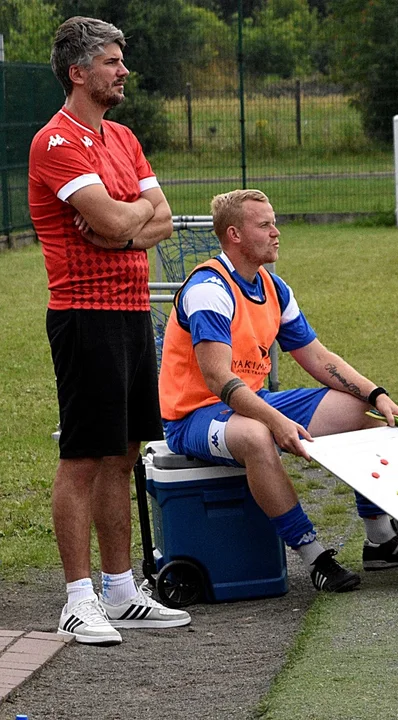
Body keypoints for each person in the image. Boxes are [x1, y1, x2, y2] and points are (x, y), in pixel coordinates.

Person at [158, 189, 398, 595]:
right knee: (257, 436)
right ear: (235, 234)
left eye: (274, 223)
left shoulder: (274, 288)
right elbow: (219, 381)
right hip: (194, 416)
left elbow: (317, 357)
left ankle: (380, 539)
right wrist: (275, 421)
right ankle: (314, 557)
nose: (277, 233)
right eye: (265, 225)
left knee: (362, 414)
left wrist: (375, 394)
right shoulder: (209, 289)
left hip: (247, 403)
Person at [28, 16, 191, 646]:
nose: (123, 70)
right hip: (82, 315)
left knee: (124, 453)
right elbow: (113, 215)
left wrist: (125, 226)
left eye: (121, 60)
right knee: (83, 455)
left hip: (128, 312)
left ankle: (121, 590)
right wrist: (127, 220)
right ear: (78, 71)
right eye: (112, 61)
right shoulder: (55, 142)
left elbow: (160, 219)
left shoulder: (122, 137)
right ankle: (76, 600)